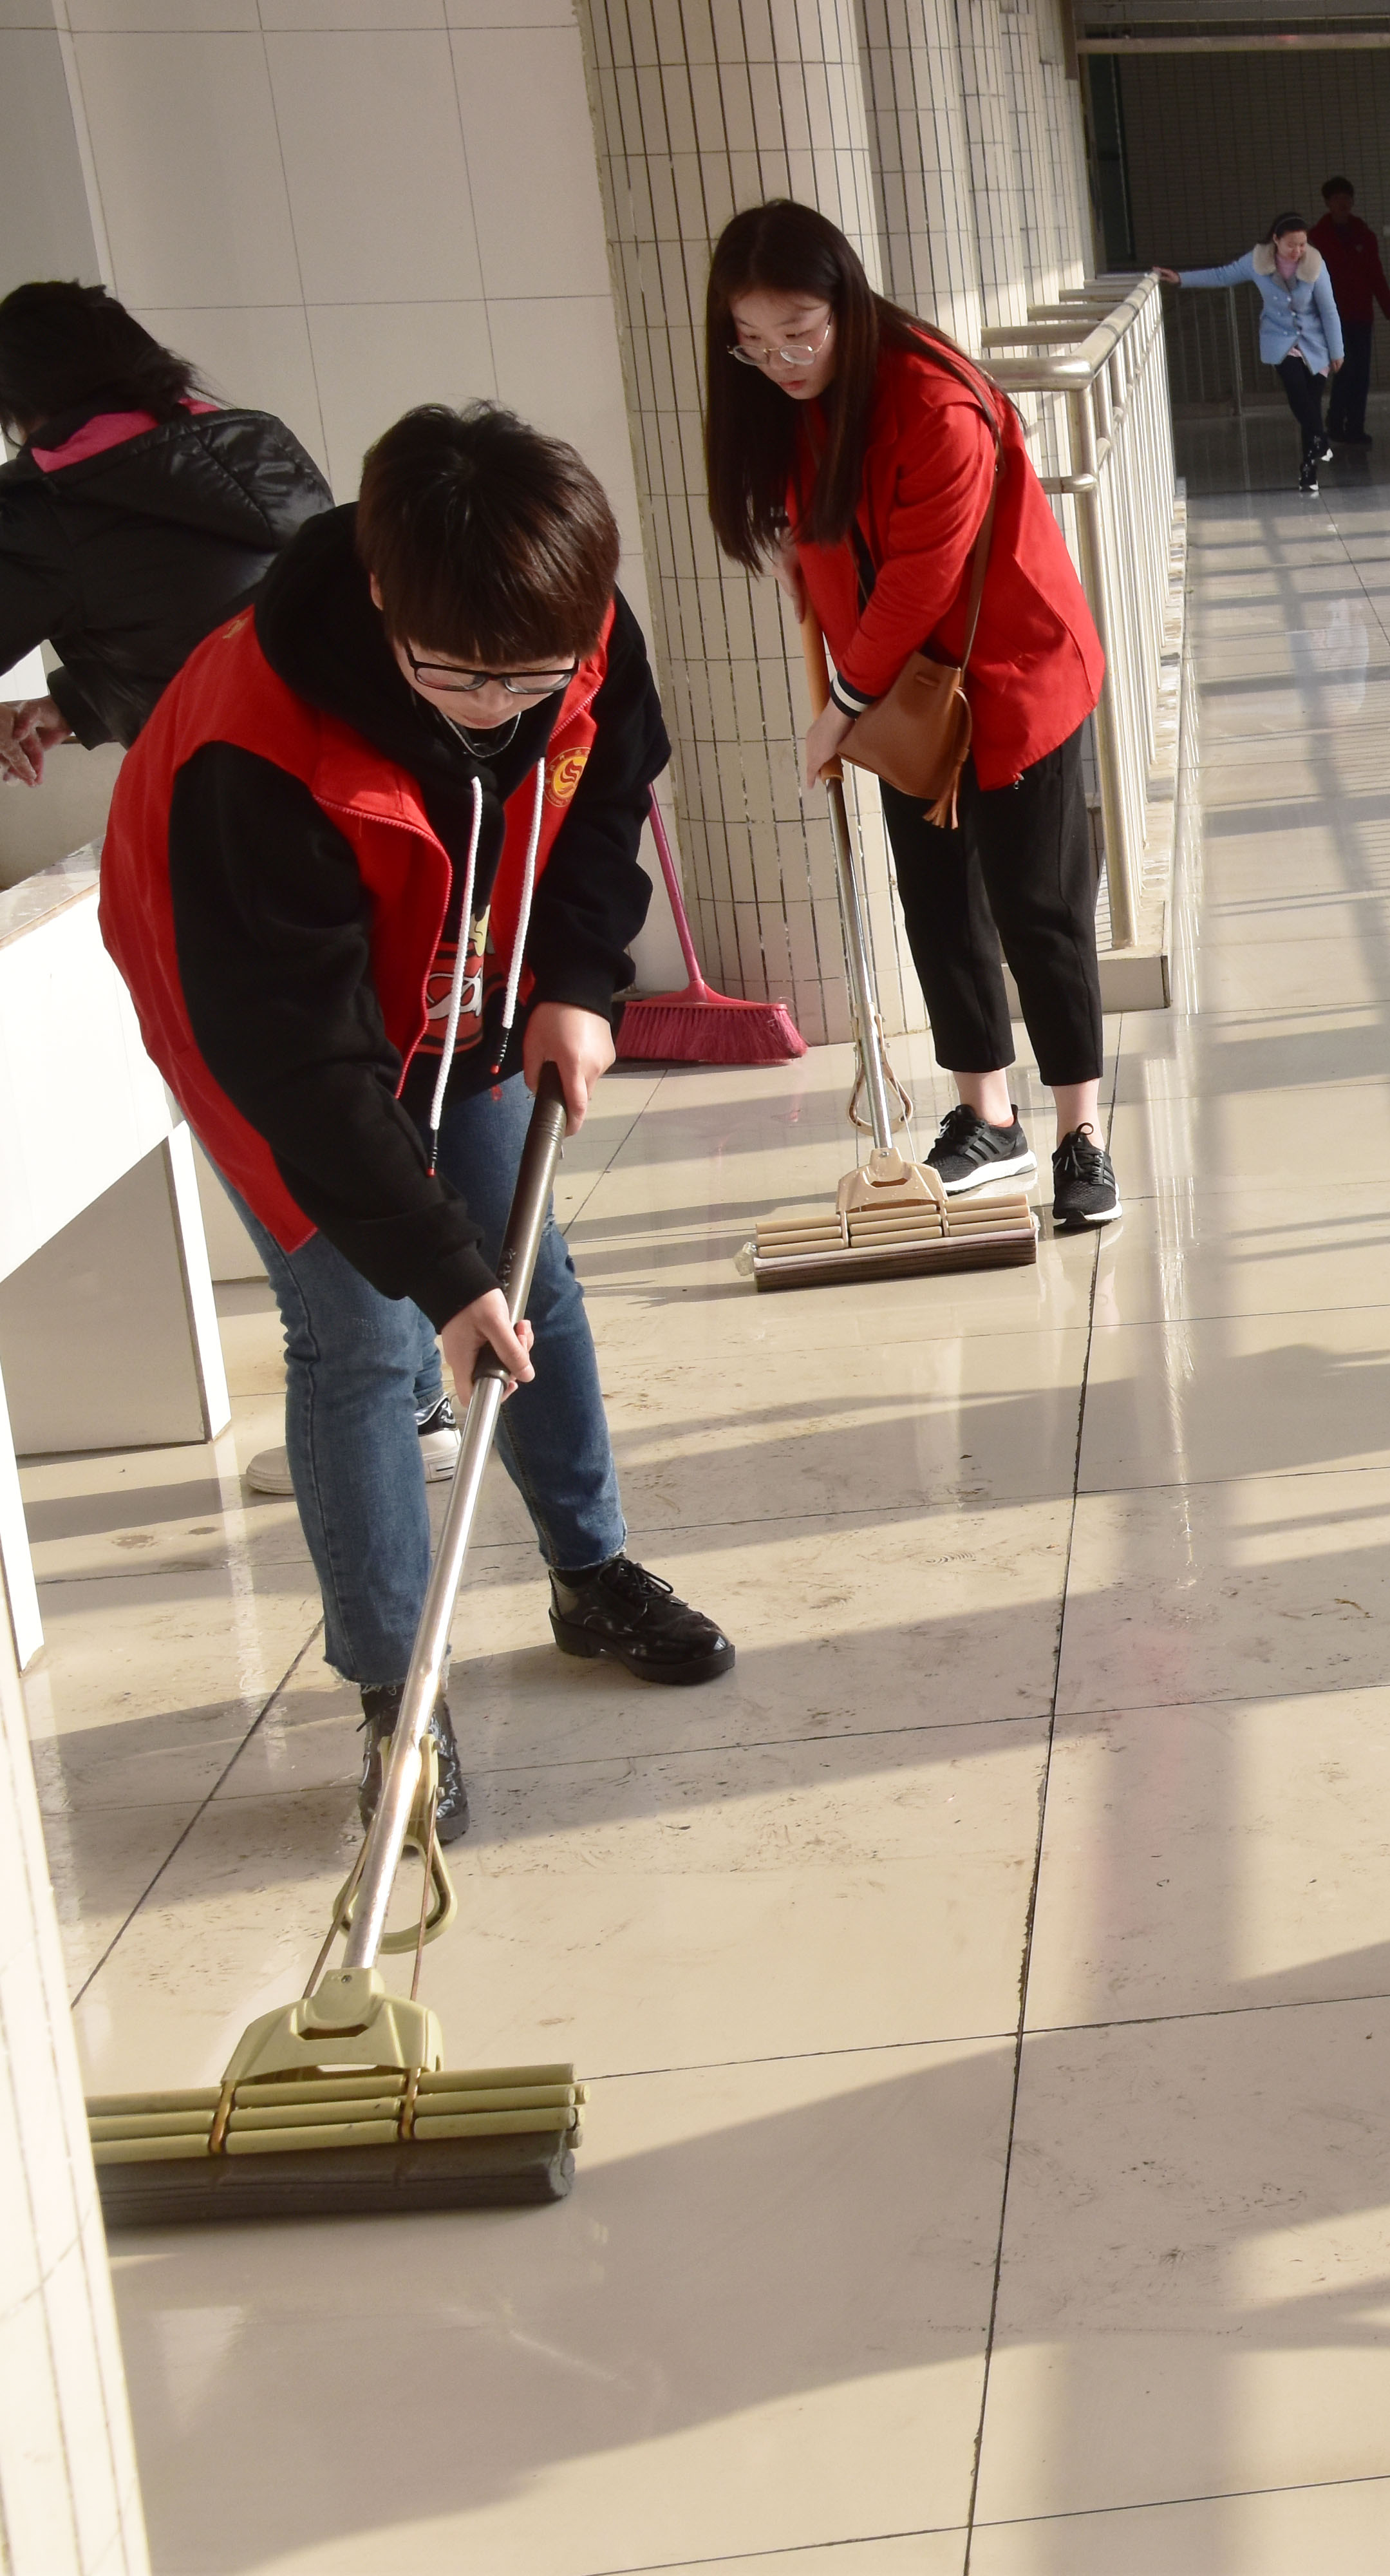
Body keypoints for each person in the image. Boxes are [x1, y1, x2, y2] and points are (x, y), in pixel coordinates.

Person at [97, 402, 740, 1844]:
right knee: (368, 1334)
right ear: (385, 592)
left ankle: (591, 1573)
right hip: (278, 1038)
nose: (502, 703)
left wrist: (577, 981)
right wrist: (437, 1276)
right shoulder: (252, 743)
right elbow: (300, 1060)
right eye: (461, 676)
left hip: (477, 985)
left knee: (533, 1280)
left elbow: (606, 791)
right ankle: (398, 1689)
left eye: (535, 675)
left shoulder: (565, 624)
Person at [0, 283, 441, 1500]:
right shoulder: (244, 441)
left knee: (279, 1127)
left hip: (221, 846)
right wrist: (78, 702)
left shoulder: (53, 510)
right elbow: (239, 625)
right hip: (364, 812)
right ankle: (421, 1384)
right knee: (366, 1084)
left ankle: (387, 1397)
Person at [700, 200, 1118, 1228]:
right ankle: (990, 1118)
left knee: (1041, 913)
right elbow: (824, 541)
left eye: (799, 332)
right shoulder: (793, 402)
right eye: (752, 343)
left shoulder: (932, 400)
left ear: (845, 301)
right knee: (938, 904)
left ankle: (1080, 1132)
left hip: (1009, 683)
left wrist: (837, 710)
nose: (782, 359)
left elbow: (926, 575)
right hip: (901, 702)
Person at [1156, 211, 1344, 493]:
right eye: (1292, 245)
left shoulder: (1315, 264)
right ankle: (1320, 440)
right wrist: (1181, 278)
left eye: (1303, 245)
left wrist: (1337, 351)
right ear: (1276, 240)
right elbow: (1223, 275)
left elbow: (1329, 309)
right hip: (1280, 341)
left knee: (1312, 405)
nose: (1298, 251)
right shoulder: (1258, 261)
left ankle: (1309, 468)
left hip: (1314, 343)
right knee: (1296, 391)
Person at [1315, 177, 1390, 446]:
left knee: (1360, 373)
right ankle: (1337, 422)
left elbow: (1375, 275)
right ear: (1328, 203)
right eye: (1337, 199)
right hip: (1330, 316)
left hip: (1360, 314)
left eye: (1347, 198)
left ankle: (1354, 427)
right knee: (1345, 371)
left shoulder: (1365, 235)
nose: (1343, 204)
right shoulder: (1316, 238)